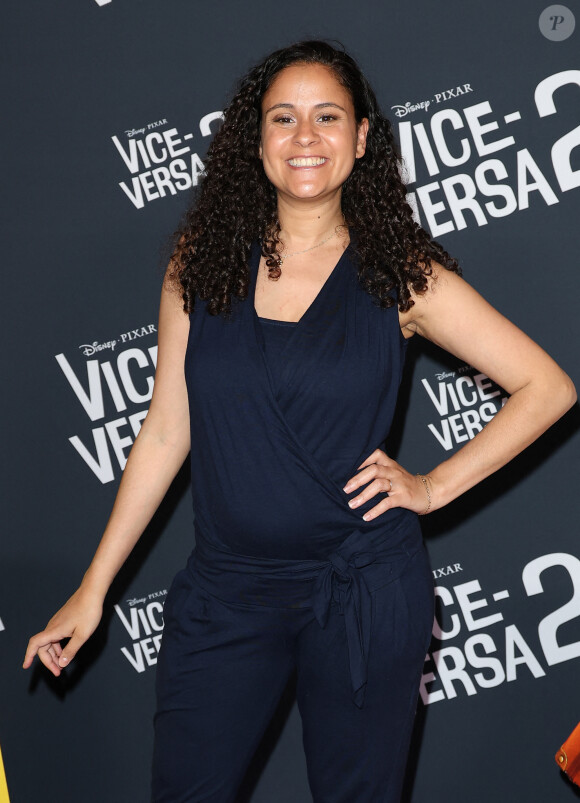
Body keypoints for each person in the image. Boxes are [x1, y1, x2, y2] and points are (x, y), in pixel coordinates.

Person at [23, 40, 576, 802]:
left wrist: (434, 485)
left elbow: (546, 386)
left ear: (361, 139)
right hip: (227, 592)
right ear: (256, 140)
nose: (305, 137)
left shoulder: (398, 271)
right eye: (283, 118)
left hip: (364, 593)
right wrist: (94, 589)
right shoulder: (201, 260)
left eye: (327, 117)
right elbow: (164, 428)